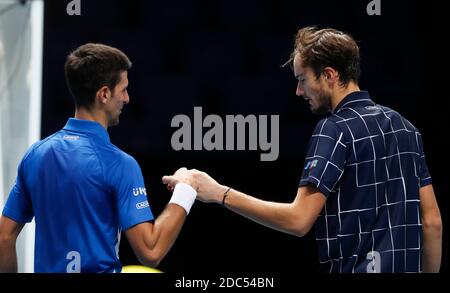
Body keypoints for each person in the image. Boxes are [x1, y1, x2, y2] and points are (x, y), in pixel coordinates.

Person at [163, 27, 443, 273]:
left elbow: (298, 220)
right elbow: (431, 223)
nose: (299, 91)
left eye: (303, 79)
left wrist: (219, 193)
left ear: (329, 75)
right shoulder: (407, 128)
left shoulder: (334, 129)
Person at [0, 43, 197, 273]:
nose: (127, 98)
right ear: (104, 94)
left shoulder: (34, 156)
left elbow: (4, 237)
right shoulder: (120, 164)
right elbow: (150, 251)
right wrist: (186, 190)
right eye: (123, 89)